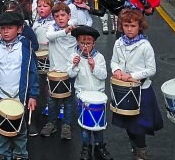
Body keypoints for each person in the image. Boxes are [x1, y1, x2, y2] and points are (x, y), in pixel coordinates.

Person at [0, 11, 38, 160]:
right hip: (1, 95)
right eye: (2, 28)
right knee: (2, 128)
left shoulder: (25, 47)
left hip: (19, 95)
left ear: (19, 29)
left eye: (9, 28)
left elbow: (32, 72)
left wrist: (33, 95)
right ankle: (4, 154)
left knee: (20, 129)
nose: (5, 31)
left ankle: (20, 153)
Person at [110, 9, 163, 160]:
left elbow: (151, 69)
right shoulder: (119, 43)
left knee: (138, 124)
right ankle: (135, 145)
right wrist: (117, 70)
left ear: (140, 26)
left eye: (132, 26)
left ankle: (141, 150)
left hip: (141, 90)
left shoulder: (145, 45)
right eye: (126, 25)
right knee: (127, 122)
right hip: (123, 89)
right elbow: (114, 60)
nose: (129, 29)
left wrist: (132, 76)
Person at [67, 25, 112, 160]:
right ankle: (86, 147)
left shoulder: (99, 57)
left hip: (98, 95)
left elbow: (103, 75)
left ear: (94, 43)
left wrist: (94, 67)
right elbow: (69, 74)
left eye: (88, 43)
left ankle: (100, 146)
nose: (85, 46)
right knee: (85, 125)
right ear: (78, 43)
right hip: (82, 95)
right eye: (82, 43)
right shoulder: (74, 56)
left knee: (98, 125)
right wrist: (74, 65)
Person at [41, 2, 77, 140]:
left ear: (69, 16)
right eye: (57, 16)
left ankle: (66, 125)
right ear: (53, 18)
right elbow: (50, 36)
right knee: (51, 101)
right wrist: (65, 31)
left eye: (63, 15)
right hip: (54, 72)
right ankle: (52, 123)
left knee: (68, 101)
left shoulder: (74, 29)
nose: (60, 18)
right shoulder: (52, 28)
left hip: (69, 72)